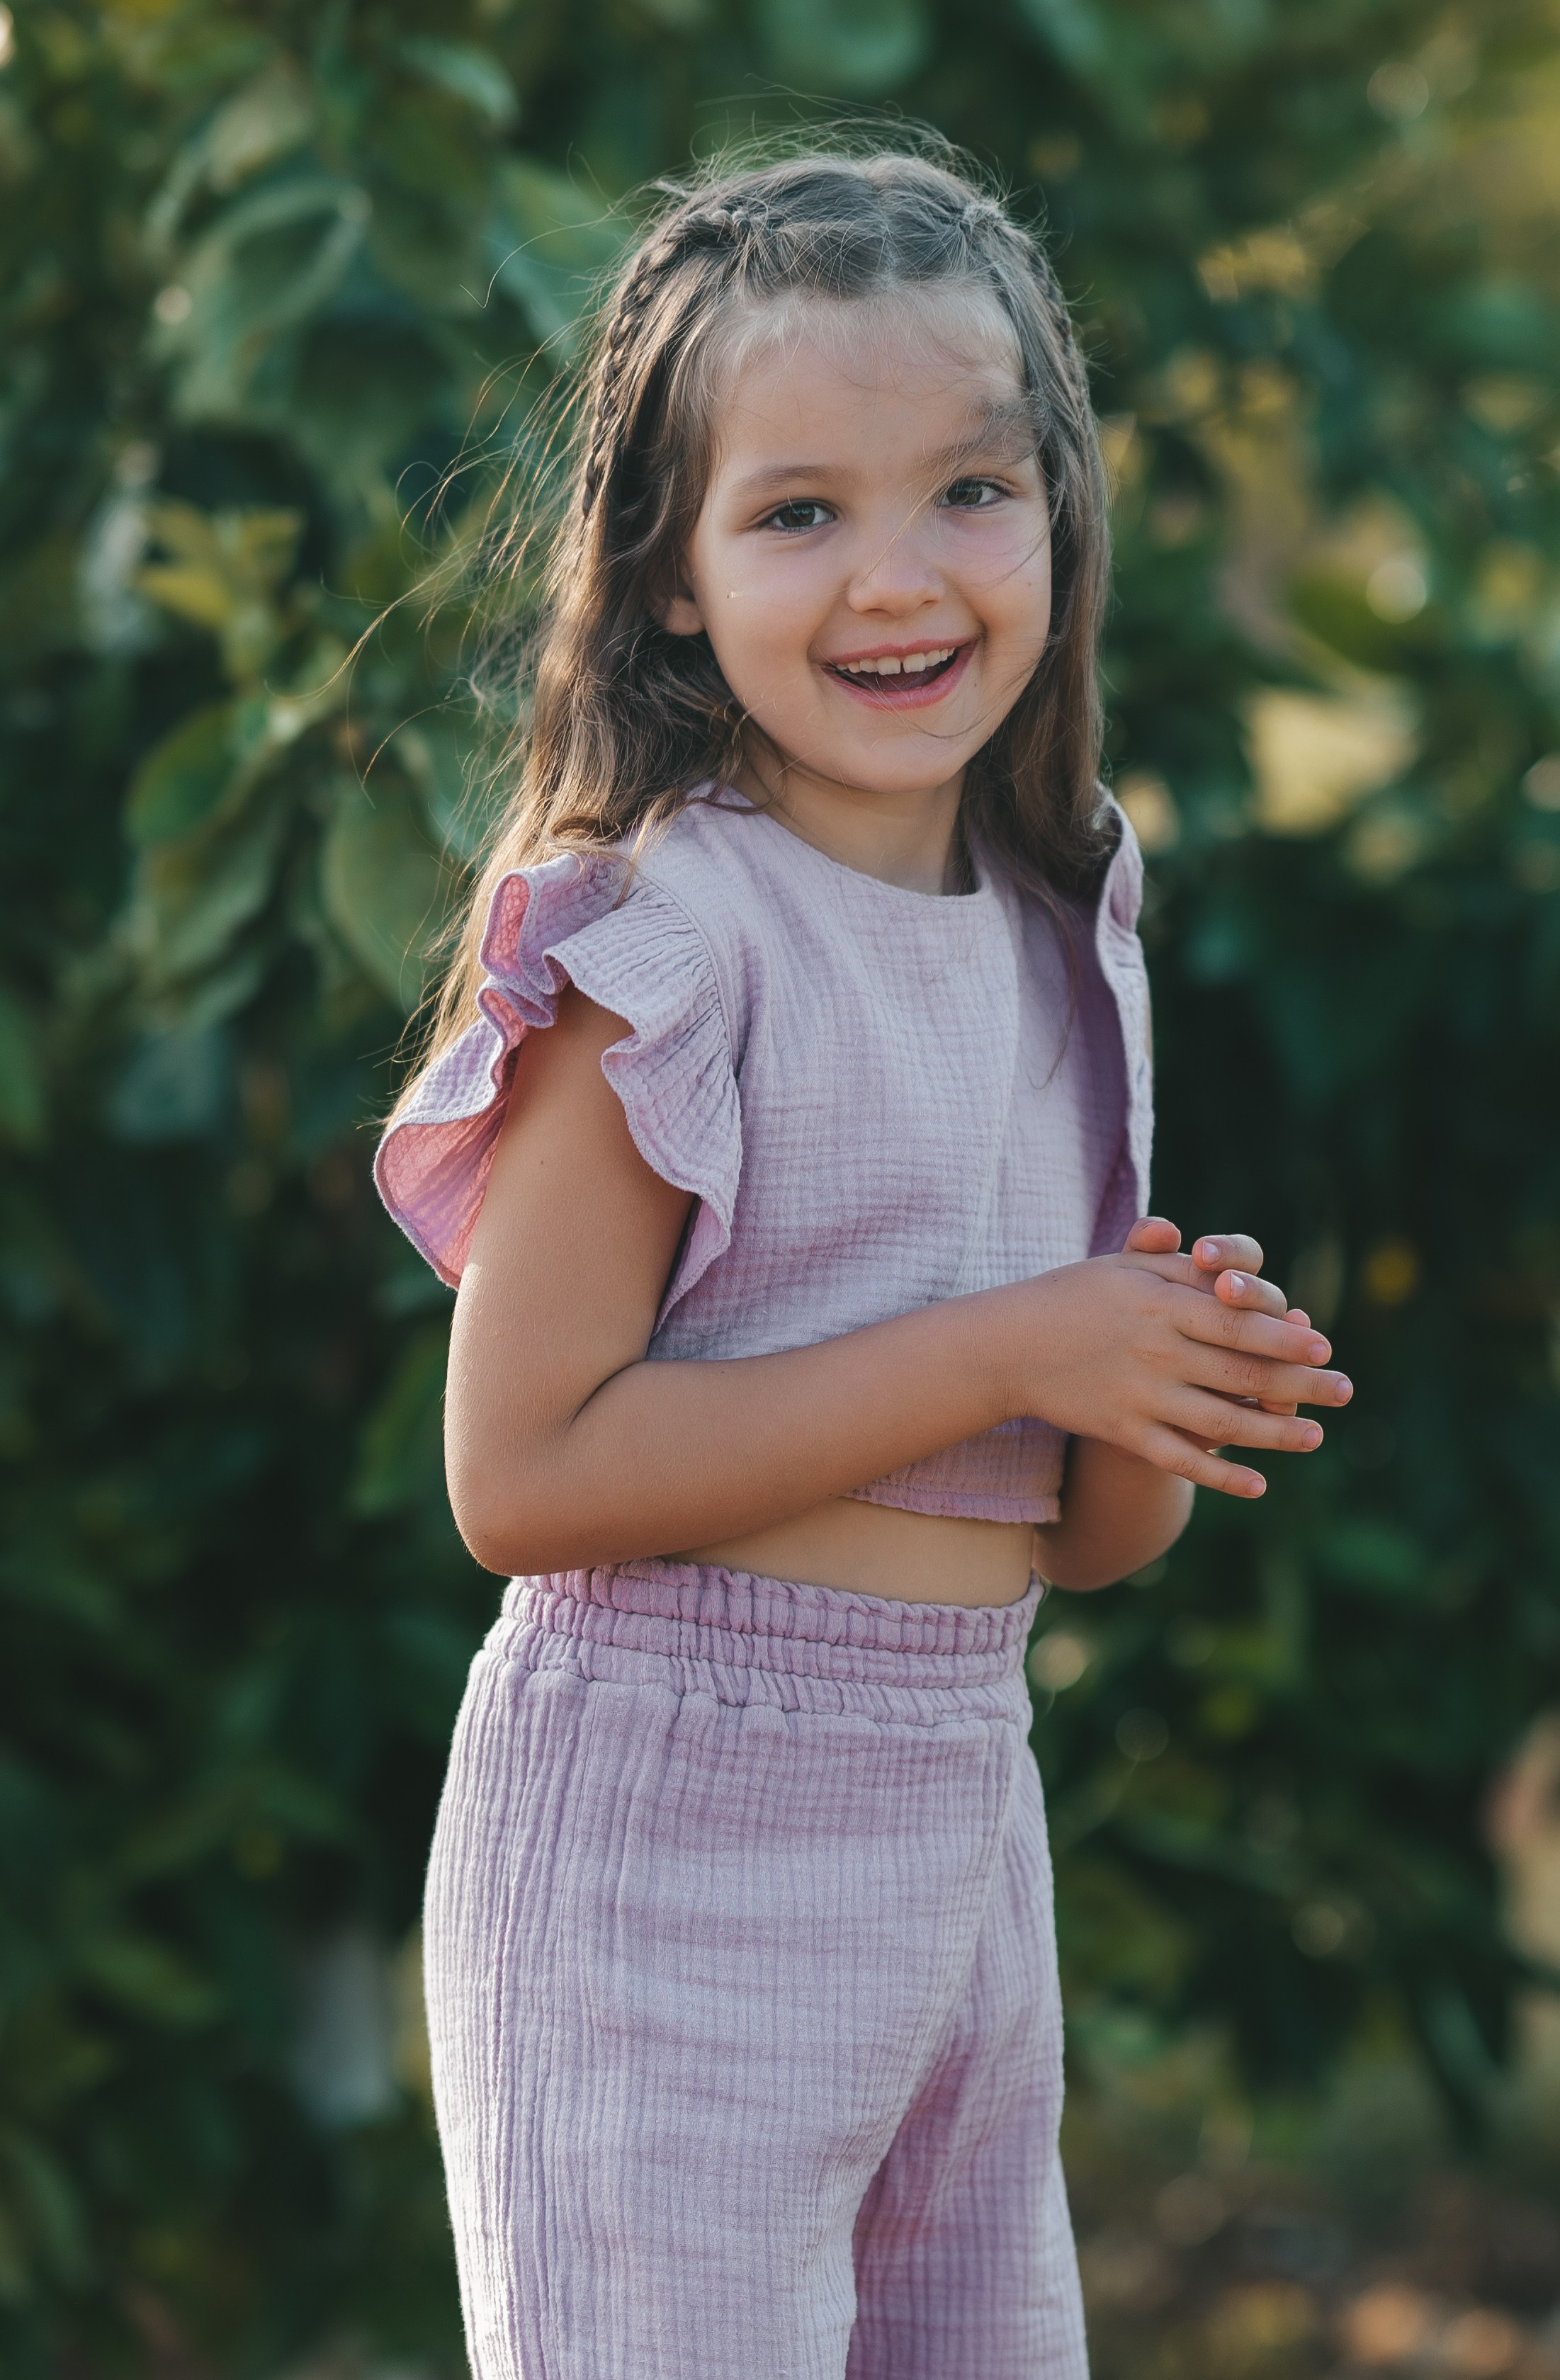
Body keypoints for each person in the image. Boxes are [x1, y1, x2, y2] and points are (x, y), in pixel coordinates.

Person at [374, 142, 1352, 2380]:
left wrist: (1151, 1385)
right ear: (670, 579)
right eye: (798, 509)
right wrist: (1021, 1331)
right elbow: (519, 1475)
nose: (895, 576)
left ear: (1057, 520)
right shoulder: (669, 948)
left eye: (967, 494)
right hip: (657, 1853)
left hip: (952, 1844)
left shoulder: (1058, 940)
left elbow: (1060, 1539)